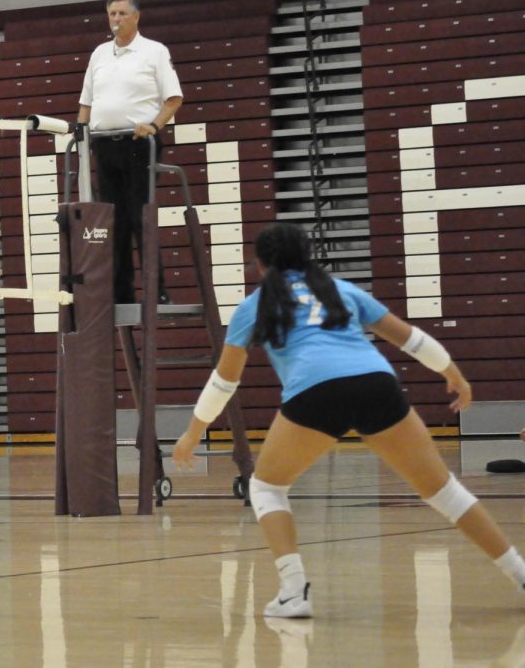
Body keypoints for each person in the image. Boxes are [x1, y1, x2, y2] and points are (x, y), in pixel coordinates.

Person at [172, 222, 525, 618]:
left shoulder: (253, 306)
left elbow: (225, 380)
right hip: (377, 384)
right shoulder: (341, 290)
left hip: (314, 393)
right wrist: (453, 374)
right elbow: (410, 338)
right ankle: (520, 572)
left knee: (268, 488)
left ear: (259, 265)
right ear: (307, 257)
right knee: (445, 492)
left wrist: (193, 432)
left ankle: (293, 591)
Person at [76, 0, 183, 305]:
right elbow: (86, 102)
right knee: (113, 222)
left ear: (136, 17)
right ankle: (121, 294)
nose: (116, 19)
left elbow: (174, 98)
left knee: (140, 217)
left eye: (122, 13)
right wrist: (82, 135)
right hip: (104, 146)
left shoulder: (154, 52)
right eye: (112, 13)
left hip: (138, 145)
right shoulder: (99, 54)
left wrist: (153, 126)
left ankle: (157, 290)